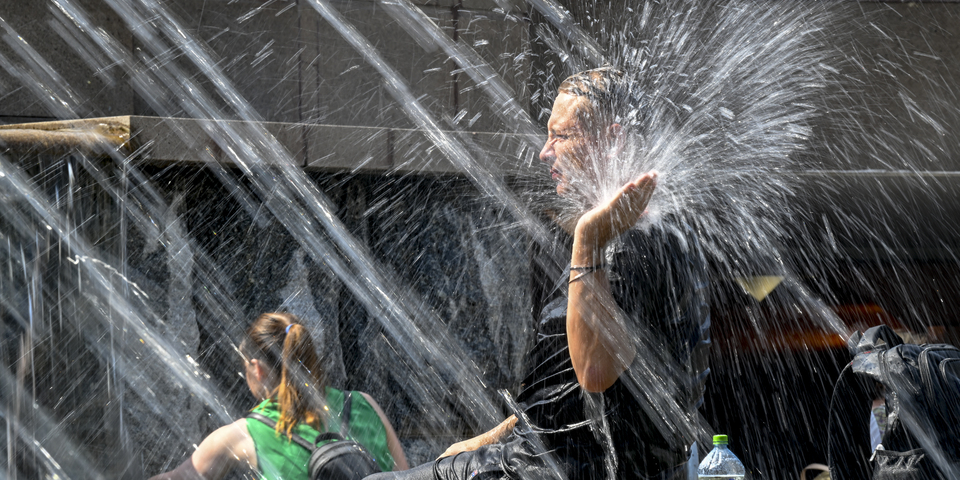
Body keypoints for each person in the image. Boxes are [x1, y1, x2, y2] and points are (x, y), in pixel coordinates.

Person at [366, 66, 709, 480]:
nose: (544, 152)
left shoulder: (626, 244)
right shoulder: (629, 235)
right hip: (544, 456)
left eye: (561, 136)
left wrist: (587, 239)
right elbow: (561, 397)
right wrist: (483, 439)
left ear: (613, 139)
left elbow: (595, 374)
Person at [150, 312, 409, 480]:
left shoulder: (244, 434)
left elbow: (179, 478)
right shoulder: (363, 403)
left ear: (257, 369)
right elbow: (408, 475)